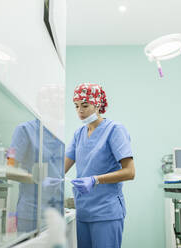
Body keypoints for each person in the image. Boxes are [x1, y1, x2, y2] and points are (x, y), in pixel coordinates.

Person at [65, 83, 135, 248]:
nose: (79, 111)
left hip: (106, 212)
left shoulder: (114, 130)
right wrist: (49, 178)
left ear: (97, 105)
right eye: (76, 106)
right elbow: (62, 167)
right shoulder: (79, 134)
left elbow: (130, 172)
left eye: (85, 105)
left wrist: (95, 180)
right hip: (83, 211)